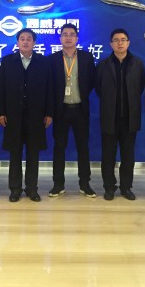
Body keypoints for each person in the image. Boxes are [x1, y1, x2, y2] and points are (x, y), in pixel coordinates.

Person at [0, 28, 53, 203]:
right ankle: (15, 189)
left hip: (36, 115)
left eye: (29, 39)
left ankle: (31, 189)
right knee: (15, 154)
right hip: (13, 115)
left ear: (34, 43)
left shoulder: (43, 62)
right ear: (17, 42)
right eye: (22, 39)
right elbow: (0, 88)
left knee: (33, 154)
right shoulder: (7, 61)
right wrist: (1, 112)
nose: (26, 41)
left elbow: (49, 89)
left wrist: (49, 113)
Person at [95, 28, 145, 201]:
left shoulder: (137, 64)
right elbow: (99, 89)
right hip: (110, 117)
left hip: (130, 118)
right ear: (111, 44)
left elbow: (140, 87)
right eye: (116, 40)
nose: (120, 43)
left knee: (128, 156)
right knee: (108, 155)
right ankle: (109, 187)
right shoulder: (103, 65)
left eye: (123, 39)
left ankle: (126, 187)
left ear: (128, 42)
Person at [48, 23, 96, 198]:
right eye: (65, 34)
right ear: (60, 38)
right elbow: (50, 86)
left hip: (80, 109)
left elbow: (91, 81)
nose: (68, 37)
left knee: (83, 147)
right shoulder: (52, 59)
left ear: (77, 38)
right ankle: (58, 184)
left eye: (71, 34)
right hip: (61, 110)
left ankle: (85, 184)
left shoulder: (86, 57)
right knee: (59, 147)